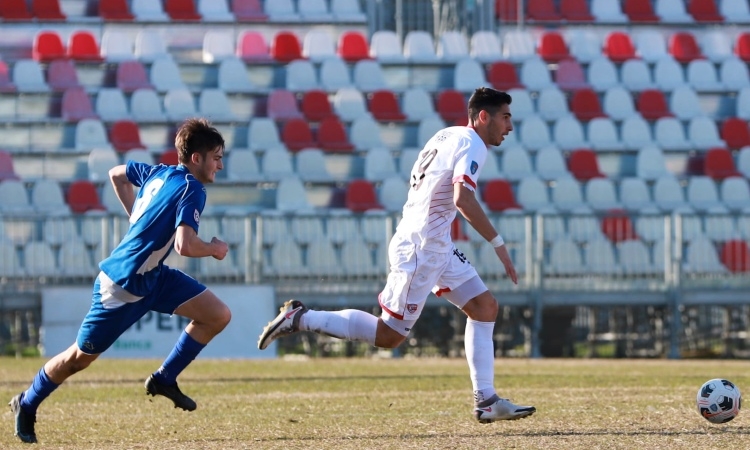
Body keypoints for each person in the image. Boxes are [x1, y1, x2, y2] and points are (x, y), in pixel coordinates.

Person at [258, 87, 535, 423]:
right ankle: (300, 318)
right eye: (505, 117)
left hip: (435, 244)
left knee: (484, 306)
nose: (509, 126)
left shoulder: (446, 135)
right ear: (483, 117)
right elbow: (463, 199)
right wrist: (498, 244)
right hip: (422, 248)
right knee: (390, 335)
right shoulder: (473, 143)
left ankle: (487, 400)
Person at [9, 118, 232, 444]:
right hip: (122, 287)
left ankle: (164, 378)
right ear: (196, 158)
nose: (220, 165)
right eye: (216, 157)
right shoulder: (193, 189)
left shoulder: (159, 172)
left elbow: (117, 173)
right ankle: (26, 403)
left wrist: (135, 213)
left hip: (153, 277)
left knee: (217, 315)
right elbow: (185, 245)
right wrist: (215, 248)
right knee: (77, 360)